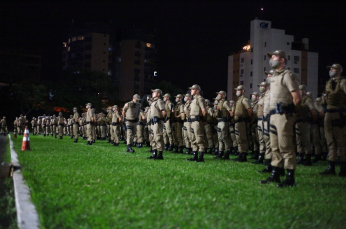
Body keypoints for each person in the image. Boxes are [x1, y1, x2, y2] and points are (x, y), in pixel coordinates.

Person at [260, 50, 301, 188]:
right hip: (273, 115)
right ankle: (275, 174)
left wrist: (290, 113)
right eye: (270, 56)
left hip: (284, 115)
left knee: (286, 146)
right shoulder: (273, 78)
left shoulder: (288, 75)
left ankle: (290, 177)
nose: (271, 59)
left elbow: (297, 97)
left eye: (274, 56)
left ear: (282, 60)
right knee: (274, 146)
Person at [320, 64, 346, 176]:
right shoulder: (329, 83)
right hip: (328, 113)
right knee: (330, 141)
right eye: (330, 68)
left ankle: (343, 168)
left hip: (338, 113)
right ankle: (331, 167)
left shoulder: (343, 82)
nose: (331, 70)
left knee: (341, 141)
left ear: (339, 71)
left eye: (333, 68)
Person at [295, 85, 317, 166]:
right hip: (297, 122)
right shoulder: (297, 100)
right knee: (298, 141)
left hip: (305, 122)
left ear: (304, 90)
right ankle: (301, 156)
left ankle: (308, 158)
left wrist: (311, 120)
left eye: (301, 90)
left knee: (306, 141)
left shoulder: (307, 99)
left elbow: (313, 111)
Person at [187, 84, 206, 162]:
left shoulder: (199, 99)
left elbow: (204, 110)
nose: (191, 90)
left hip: (198, 121)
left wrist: (202, 120)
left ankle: (201, 156)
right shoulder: (193, 100)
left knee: (199, 139)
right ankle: (195, 155)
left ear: (197, 90)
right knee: (193, 139)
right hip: (192, 121)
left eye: (193, 89)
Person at [233, 85, 252, 162]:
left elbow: (249, 109)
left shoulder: (244, 99)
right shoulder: (239, 100)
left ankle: (243, 155)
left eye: (239, 90)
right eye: (237, 90)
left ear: (243, 91)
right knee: (239, 139)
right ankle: (240, 154)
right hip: (238, 122)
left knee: (243, 138)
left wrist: (248, 119)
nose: (237, 91)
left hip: (242, 121)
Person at [213, 91, 233, 159]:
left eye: (220, 94)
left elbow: (231, 112)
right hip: (219, 121)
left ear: (223, 96)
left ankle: (227, 152)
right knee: (220, 138)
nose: (218, 95)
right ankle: (220, 152)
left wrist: (229, 119)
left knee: (224, 138)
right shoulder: (219, 103)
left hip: (224, 121)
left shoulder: (225, 102)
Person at [147, 89, 166, 159]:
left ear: (158, 94)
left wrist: (162, 119)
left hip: (157, 122)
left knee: (158, 137)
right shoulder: (153, 102)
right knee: (152, 138)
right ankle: (154, 153)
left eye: (154, 92)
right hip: (153, 122)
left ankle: (160, 154)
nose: (152, 93)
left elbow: (163, 111)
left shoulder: (159, 101)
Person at [250, 92, 260, 160]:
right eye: (252, 96)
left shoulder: (258, 104)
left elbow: (257, 114)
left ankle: (260, 153)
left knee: (258, 139)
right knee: (254, 140)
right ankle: (255, 153)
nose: (252, 97)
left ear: (257, 97)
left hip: (257, 123)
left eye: (253, 96)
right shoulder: (252, 104)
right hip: (252, 124)